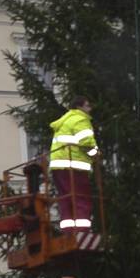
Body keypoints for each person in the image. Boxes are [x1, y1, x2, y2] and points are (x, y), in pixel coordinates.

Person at [49, 96, 99, 229]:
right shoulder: (80, 119)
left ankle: (69, 231)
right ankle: (82, 231)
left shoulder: (65, 121)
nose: (90, 109)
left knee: (66, 199)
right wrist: (96, 155)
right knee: (81, 198)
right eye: (87, 106)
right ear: (79, 107)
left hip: (58, 166)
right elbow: (86, 142)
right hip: (74, 165)